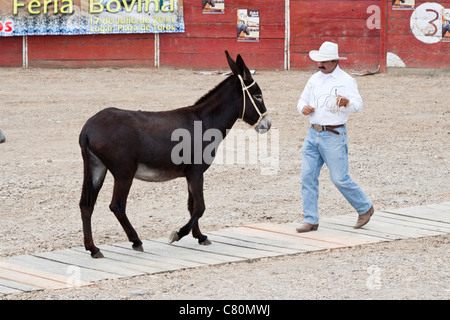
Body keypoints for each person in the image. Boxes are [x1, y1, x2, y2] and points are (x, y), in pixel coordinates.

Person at [296, 41, 374, 233]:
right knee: (307, 177)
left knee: (339, 178)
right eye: (319, 61)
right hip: (313, 133)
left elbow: (358, 106)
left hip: (334, 134)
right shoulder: (314, 78)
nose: (319, 64)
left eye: (323, 62)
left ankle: (365, 207)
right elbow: (301, 100)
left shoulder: (347, 80)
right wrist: (303, 109)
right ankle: (311, 219)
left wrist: (346, 103)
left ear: (334, 61)